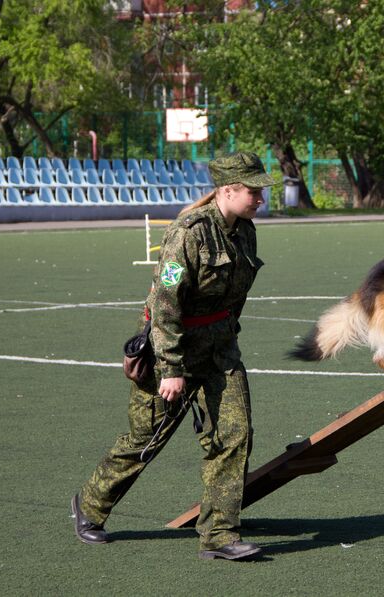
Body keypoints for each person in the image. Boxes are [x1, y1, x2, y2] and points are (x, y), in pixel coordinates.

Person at [71, 151, 274, 561]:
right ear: (227, 189)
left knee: (234, 436)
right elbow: (164, 306)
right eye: (253, 191)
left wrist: (227, 336)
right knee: (145, 440)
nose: (260, 198)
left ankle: (219, 535)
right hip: (174, 353)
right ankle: (90, 506)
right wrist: (171, 369)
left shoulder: (245, 232)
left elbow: (236, 296)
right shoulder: (188, 233)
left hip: (220, 352)